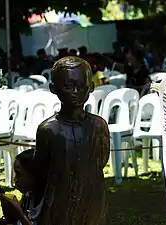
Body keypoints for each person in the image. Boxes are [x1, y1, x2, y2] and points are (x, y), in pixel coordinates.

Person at [34, 56, 110, 225]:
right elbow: (41, 170)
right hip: (59, 202)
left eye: (81, 86)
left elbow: (102, 160)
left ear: (91, 87)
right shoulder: (48, 130)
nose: (75, 92)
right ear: (54, 88)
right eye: (68, 86)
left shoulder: (98, 126)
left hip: (92, 199)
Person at [0, 149, 45, 225]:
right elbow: (12, 221)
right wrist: (5, 203)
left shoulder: (49, 205)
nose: (15, 179)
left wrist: (21, 216)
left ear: (34, 176)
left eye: (19, 174)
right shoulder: (28, 196)